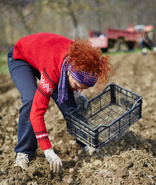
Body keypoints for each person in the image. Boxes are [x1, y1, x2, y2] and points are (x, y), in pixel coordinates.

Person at [7, 33, 113, 173]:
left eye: (83, 89)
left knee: (70, 107)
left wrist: (75, 93)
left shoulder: (78, 59)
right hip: (21, 57)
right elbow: (36, 114)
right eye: (78, 86)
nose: (80, 90)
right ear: (70, 73)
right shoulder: (53, 72)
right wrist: (48, 150)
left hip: (45, 56)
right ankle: (24, 152)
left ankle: (87, 142)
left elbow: (74, 87)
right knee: (31, 100)